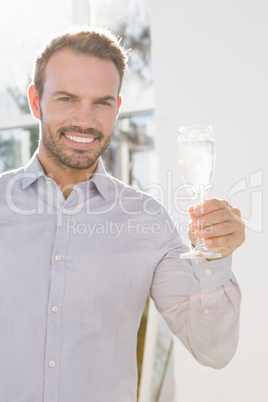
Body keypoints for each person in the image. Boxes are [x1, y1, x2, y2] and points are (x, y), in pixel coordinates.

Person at [0, 27, 245, 402]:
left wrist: (215, 260)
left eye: (101, 102)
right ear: (36, 102)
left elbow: (211, 349)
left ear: (116, 107)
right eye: (67, 98)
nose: (85, 120)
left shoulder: (146, 221)